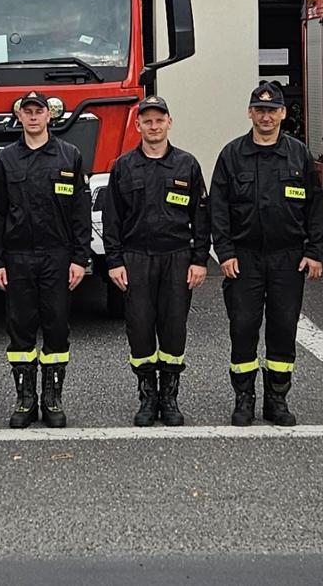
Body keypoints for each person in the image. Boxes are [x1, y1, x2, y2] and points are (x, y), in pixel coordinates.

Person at [208, 82, 323, 427]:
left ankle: (277, 399)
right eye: (260, 110)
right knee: (243, 328)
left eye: (272, 110)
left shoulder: (298, 155)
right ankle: (244, 399)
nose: (266, 116)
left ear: (283, 114)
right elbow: (218, 208)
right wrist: (225, 252)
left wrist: (315, 251)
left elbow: (315, 206)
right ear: (249, 113)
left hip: (287, 259)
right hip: (243, 260)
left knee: (283, 329)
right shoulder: (232, 155)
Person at [99, 95, 209, 427]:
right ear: (138, 125)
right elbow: (112, 219)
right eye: (147, 120)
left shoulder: (186, 165)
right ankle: (148, 397)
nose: (154, 125)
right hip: (136, 260)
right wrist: (114, 261)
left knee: (174, 329)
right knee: (141, 330)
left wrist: (200, 260)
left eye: (159, 119)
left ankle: (170, 398)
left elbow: (201, 217)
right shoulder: (123, 166)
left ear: (169, 123)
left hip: (177, 258)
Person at [0, 90, 92, 429]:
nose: (33, 117)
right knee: (20, 329)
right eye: (27, 111)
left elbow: (80, 212)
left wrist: (80, 258)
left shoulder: (69, 156)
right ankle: (25, 400)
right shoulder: (6, 159)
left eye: (39, 111)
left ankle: (52, 399)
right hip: (18, 258)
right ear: (20, 116)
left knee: (57, 327)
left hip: (57, 257)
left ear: (49, 116)